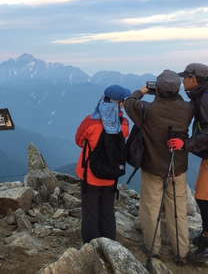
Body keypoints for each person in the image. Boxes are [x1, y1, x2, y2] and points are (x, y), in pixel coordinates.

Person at [124, 70, 193, 263]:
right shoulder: (188, 109)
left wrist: (143, 90)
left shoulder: (147, 110)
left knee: (150, 207)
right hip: (177, 167)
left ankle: (152, 248)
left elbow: (129, 102)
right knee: (178, 210)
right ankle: (181, 251)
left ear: (159, 88)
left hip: (152, 166)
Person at [75, 84, 131, 243]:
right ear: (119, 103)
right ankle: (109, 245)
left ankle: (92, 246)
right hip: (112, 175)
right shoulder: (124, 124)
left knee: (90, 212)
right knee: (107, 210)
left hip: (90, 174)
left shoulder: (91, 122)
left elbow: (79, 140)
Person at [177, 63, 208, 262]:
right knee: (203, 195)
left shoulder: (205, 98)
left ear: (195, 79)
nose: (183, 80)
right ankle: (206, 235)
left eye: (185, 77)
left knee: (205, 197)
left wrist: (187, 144)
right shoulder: (201, 95)